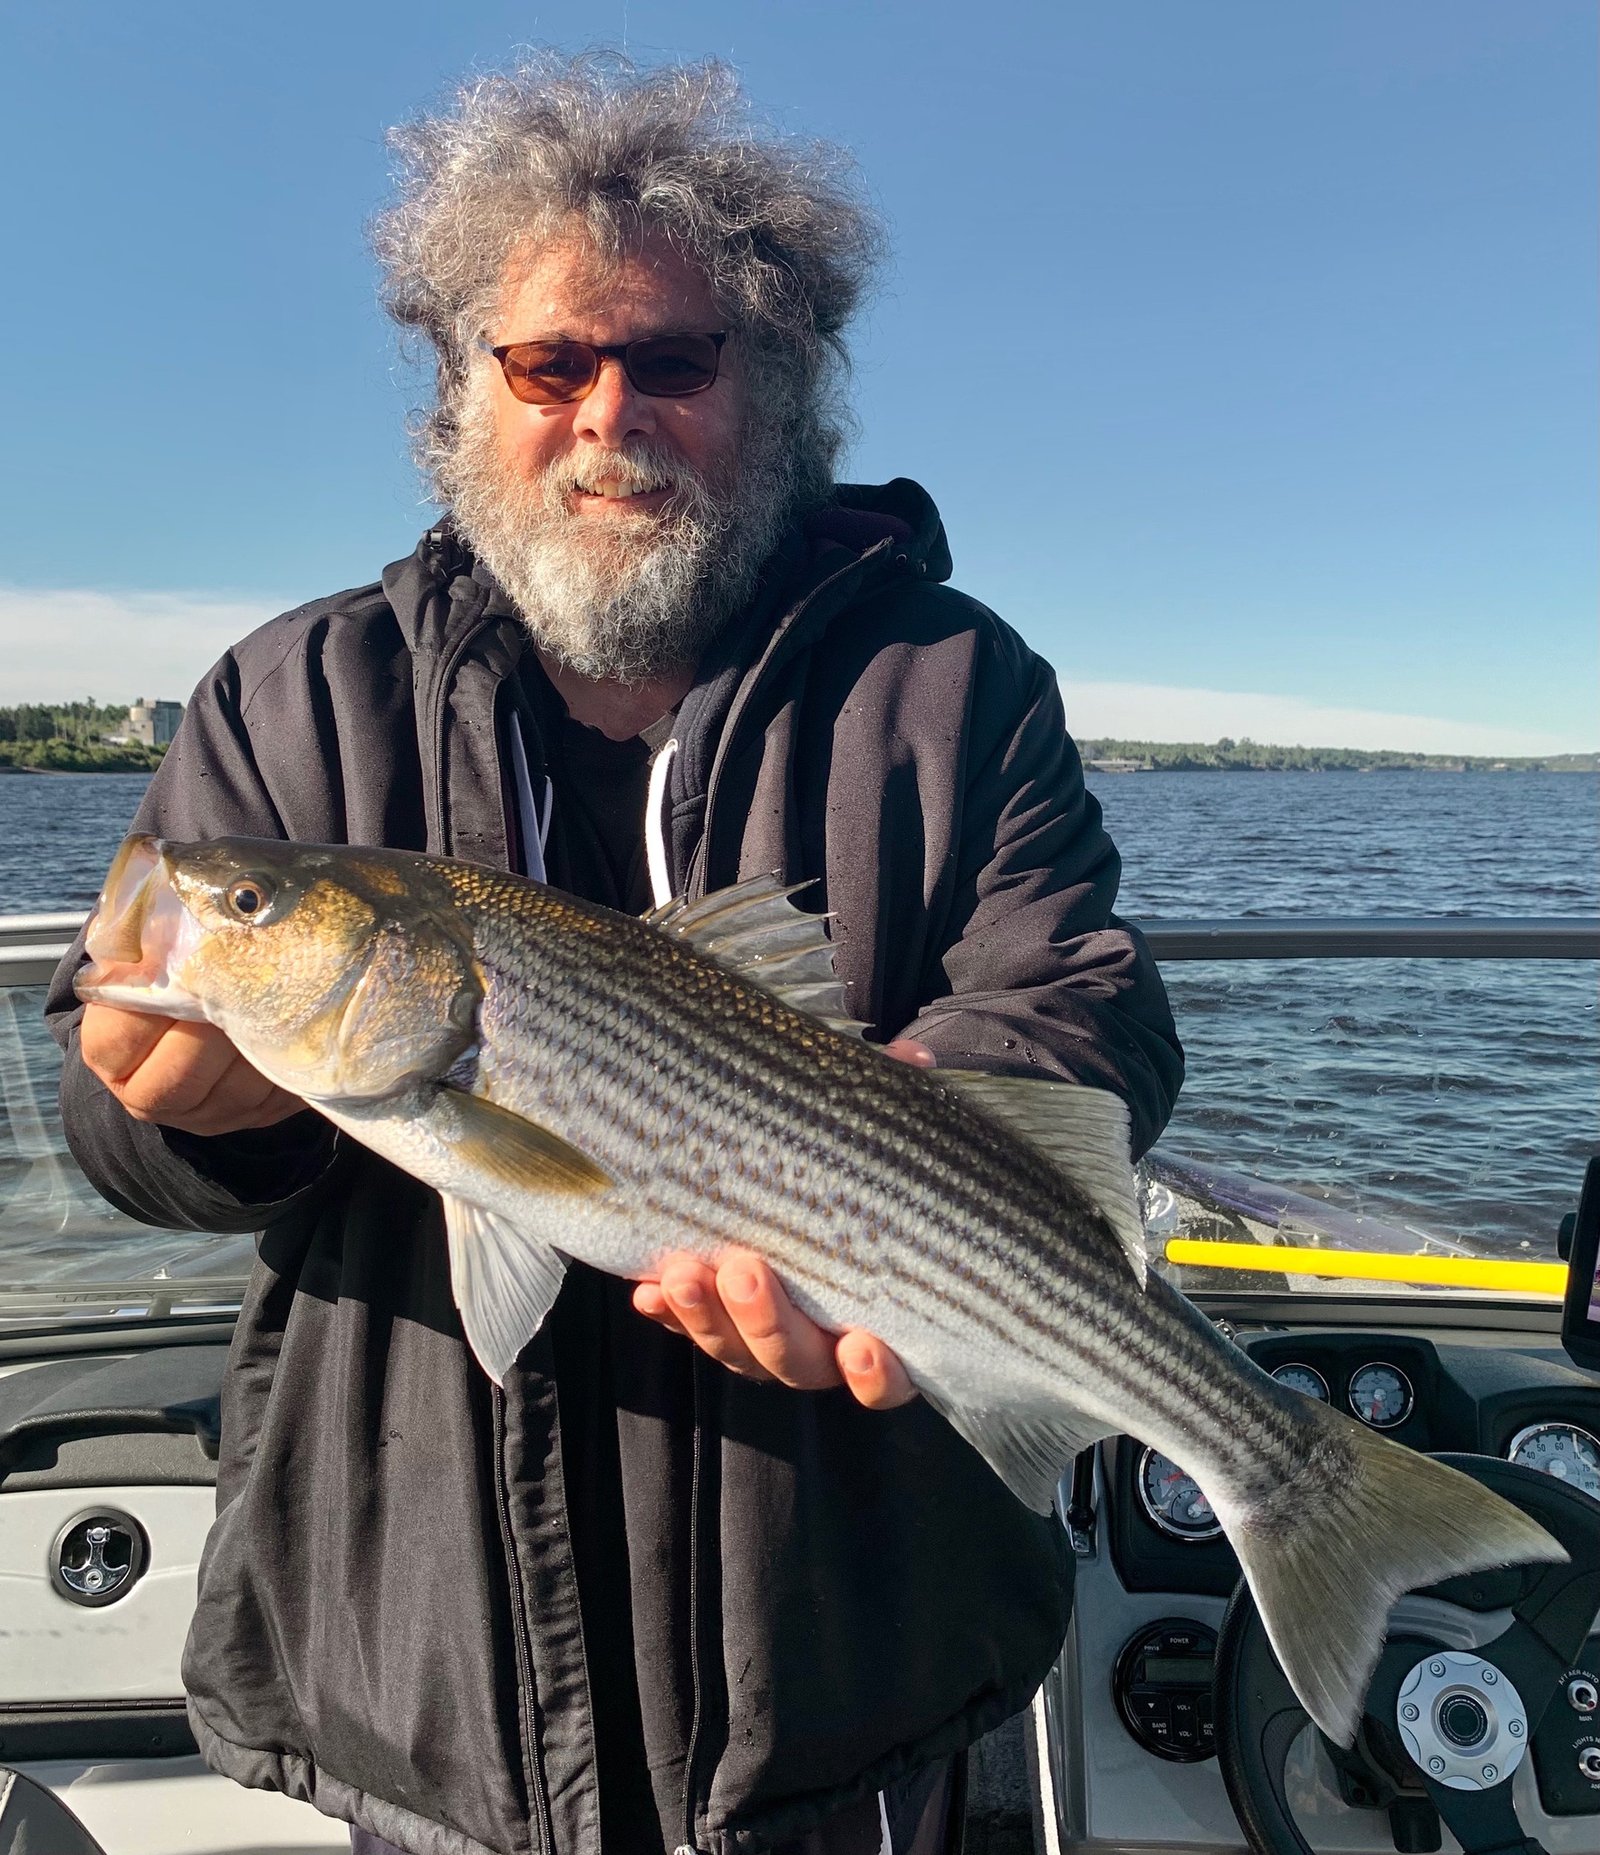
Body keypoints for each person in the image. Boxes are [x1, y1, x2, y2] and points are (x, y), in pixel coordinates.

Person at [47, 55, 1183, 1855]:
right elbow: (117, 1124)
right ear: (461, 396)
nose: (607, 417)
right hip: (423, 1680)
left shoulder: (951, 686)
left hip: (851, 1657)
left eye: (674, 362)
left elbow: (1084, 990)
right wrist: (192, 1112)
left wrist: (916, 1166)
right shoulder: (286, 701)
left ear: (780, 393)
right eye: (548, 364)